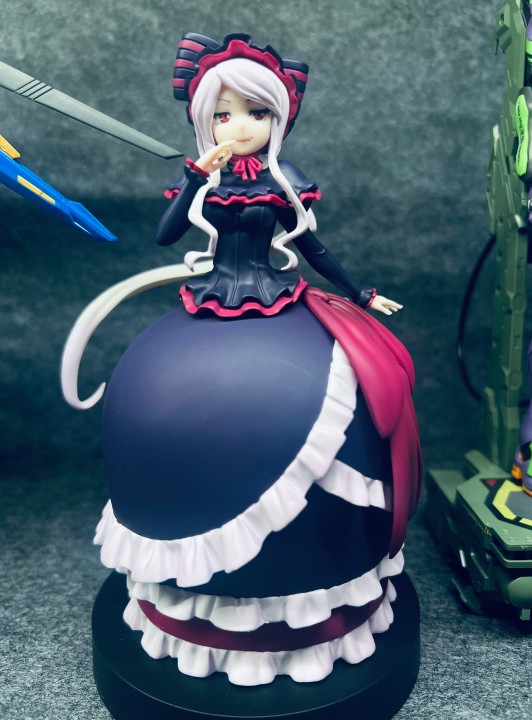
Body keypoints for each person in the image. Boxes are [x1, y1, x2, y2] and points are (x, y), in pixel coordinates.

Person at [62, 33, 422, 686]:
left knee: (355, 389)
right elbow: (167, 235)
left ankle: (313, 585)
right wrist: (196, 175)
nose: (241, 126)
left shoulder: (284, 182)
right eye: (224, 113)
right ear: (206, 119)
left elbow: (314, 251)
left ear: (277, 119)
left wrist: (361, 292)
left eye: (256, 112)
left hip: (280, 295)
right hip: (210, 295)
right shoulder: (206, 177)